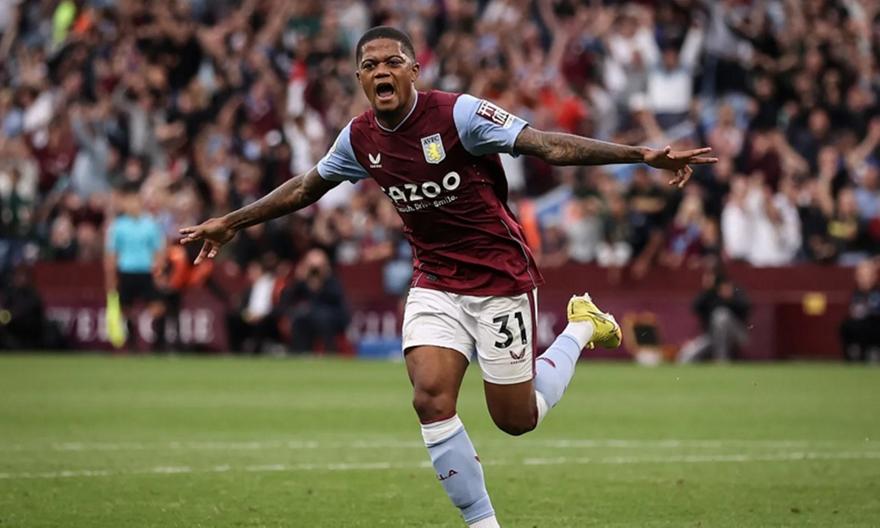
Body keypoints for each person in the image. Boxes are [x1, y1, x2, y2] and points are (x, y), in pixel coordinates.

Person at [179, 27, 716, 528]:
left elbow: (546, 145)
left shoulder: (460, 115)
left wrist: (640, 154)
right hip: (434, 280)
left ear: (415, 70)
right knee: (430, 399)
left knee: (516, 420)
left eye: (393, 61)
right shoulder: (359, 137)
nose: (382, 70)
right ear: (359, 78)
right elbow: (305, 187)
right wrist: (232, 221)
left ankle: (580, 327)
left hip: (500, 278)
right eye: (370, 65)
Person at [104, 184, 166, 351]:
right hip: (126, 271)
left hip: (146, 272)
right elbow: (111, 254)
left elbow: (159, 251)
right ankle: (132, 344)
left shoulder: (150, 224)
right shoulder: (118, 226)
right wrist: (111, 278)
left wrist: (159, 273)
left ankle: (158, 345)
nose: (132, 205)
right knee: (125, 310)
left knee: (158, 308)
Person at [279, 248, 350, 354]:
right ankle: (300, 353)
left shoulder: (332, 279)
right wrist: (298, 279)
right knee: (299, 319)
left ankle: (330, 351)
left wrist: (320, 283)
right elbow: (286, 297)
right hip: (310, 316)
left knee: (321, 317)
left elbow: (336, 299)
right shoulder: (302, 281)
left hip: (332, 316)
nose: (314, 271)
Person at [678, 266, 751, 363]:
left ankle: (721, 359)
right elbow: (695, 307)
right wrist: (707, 291)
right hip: (713, 337)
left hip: (737, 335)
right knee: (686, 357)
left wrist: (730, 298)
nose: (708, 280)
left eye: (710, 277)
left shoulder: (733, 288)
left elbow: (747, 307)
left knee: (721, 315)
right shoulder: (710, 294)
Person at [839, 260, 880, 362]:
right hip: (858, 325)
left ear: (874, 276)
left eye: (868, 275)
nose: (865, 279)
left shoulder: (877, 292)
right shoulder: (856, 293)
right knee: (846, 325)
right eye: (862, 275)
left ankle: (872, 352)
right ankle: (852, 353)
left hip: (874, 325)